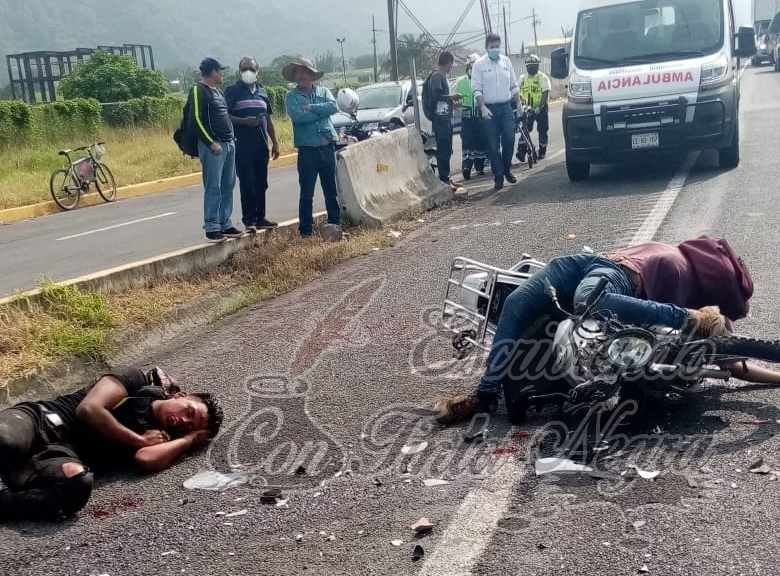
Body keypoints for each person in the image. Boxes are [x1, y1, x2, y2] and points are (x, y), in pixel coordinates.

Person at [435, 237, 780, 425]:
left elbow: (732, 360)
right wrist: (690, 319)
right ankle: (484, 394)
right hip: (605, 273)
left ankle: (485, 394)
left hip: (579, 267)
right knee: (587, 302)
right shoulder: (678, 271)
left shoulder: (677, 259)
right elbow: (732, 364)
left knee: (520, 306)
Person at [0, 367, 223, 521]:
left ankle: (7, 500)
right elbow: (89, 409)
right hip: (41, 419)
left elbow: (145, 459)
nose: (183, 420)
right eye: (188, 410)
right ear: (180, 395)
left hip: (59, 455)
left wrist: (187, 440)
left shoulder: (164, 437)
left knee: (77, 483)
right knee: (6, 439)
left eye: (189, 424)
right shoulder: (136, 381)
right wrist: (138, 439)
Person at [283, 57, 341, 238]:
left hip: (326, 146)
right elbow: (298, 117)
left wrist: (311, 108)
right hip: (307, 150)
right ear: (295, 77)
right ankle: (306, 231)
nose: (301, 76)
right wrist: (319, 112)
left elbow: (333, 107)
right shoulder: (291, 97)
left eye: (305, 72)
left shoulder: (323, 91)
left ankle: (335, 224)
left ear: (312, 75)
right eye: (298, 73)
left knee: (331, 190)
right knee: (307, 192)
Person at [225, 57, 281, 233]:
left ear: (258, 71)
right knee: (247, 183)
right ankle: (249, 220)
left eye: (250, 68)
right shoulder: (232, 91)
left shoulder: (263, 92)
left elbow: (268, 119)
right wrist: (243, 121)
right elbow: (225, 116)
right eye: (244, 69)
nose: (247, 72)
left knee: (261, 183)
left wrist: (275, 142)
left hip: (261, 144)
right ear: (239, 71)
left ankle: (260, 218)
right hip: (242, 145)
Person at [190, 57, 242, 242]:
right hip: (213, 146)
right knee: (214, 186)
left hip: (228, 143)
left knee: (228, 184)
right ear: (212, 71)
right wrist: (210, 142)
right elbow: (196, 119)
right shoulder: (198, 90)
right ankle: (212, 226)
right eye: (220, 71)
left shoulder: (218, 92)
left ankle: (224, 223)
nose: (221, 74)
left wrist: (231, 139)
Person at [471, 33, 519, 192]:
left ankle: (506, 169)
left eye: (497, 46)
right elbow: (476, 89)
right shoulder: (479, 65)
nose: (495, 49)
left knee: (510, 139)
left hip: (505, 107)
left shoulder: (506, 61)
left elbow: (514, 85)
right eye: (492, 47)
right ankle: (498, 176)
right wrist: (482, 107)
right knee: (492, 145)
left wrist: (518, 102)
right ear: (486, 48)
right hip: (489, 109)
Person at [423, 51, 462, 191]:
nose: (452, 67)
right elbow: (436, 96)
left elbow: (442, 99)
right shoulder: (437, 76)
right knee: (444, 149)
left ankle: (446, 178)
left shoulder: (441, 76)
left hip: (445, 118)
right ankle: (444, 180)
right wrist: (451, 97)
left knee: (447, 149)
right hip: (440, 120)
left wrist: (453, 103)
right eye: (452, 64)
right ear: (448, 63)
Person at [455, 54, 488, 180]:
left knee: (480, 142)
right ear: (468, 67)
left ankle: (479, 167)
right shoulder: (461, 82)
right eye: (471, 66)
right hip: (467, 118)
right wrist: (460, 109)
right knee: (467, 142)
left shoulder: (483, 81)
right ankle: (467, 167)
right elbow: (456, 101)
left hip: (480, 117)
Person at [517, 54, 551, 161]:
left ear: (537, 66)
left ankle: (542, 151)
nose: (532, 68)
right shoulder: (522, 78)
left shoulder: (542, 77)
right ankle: (521, 152)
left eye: (534, 65)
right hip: (528, 108)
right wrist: (522, 104)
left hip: (541, 108)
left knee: (542, 129)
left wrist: (540, 107)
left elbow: (545, 92)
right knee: (525, 129)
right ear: (526, 67)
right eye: (529, 66)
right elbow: (517, 92)